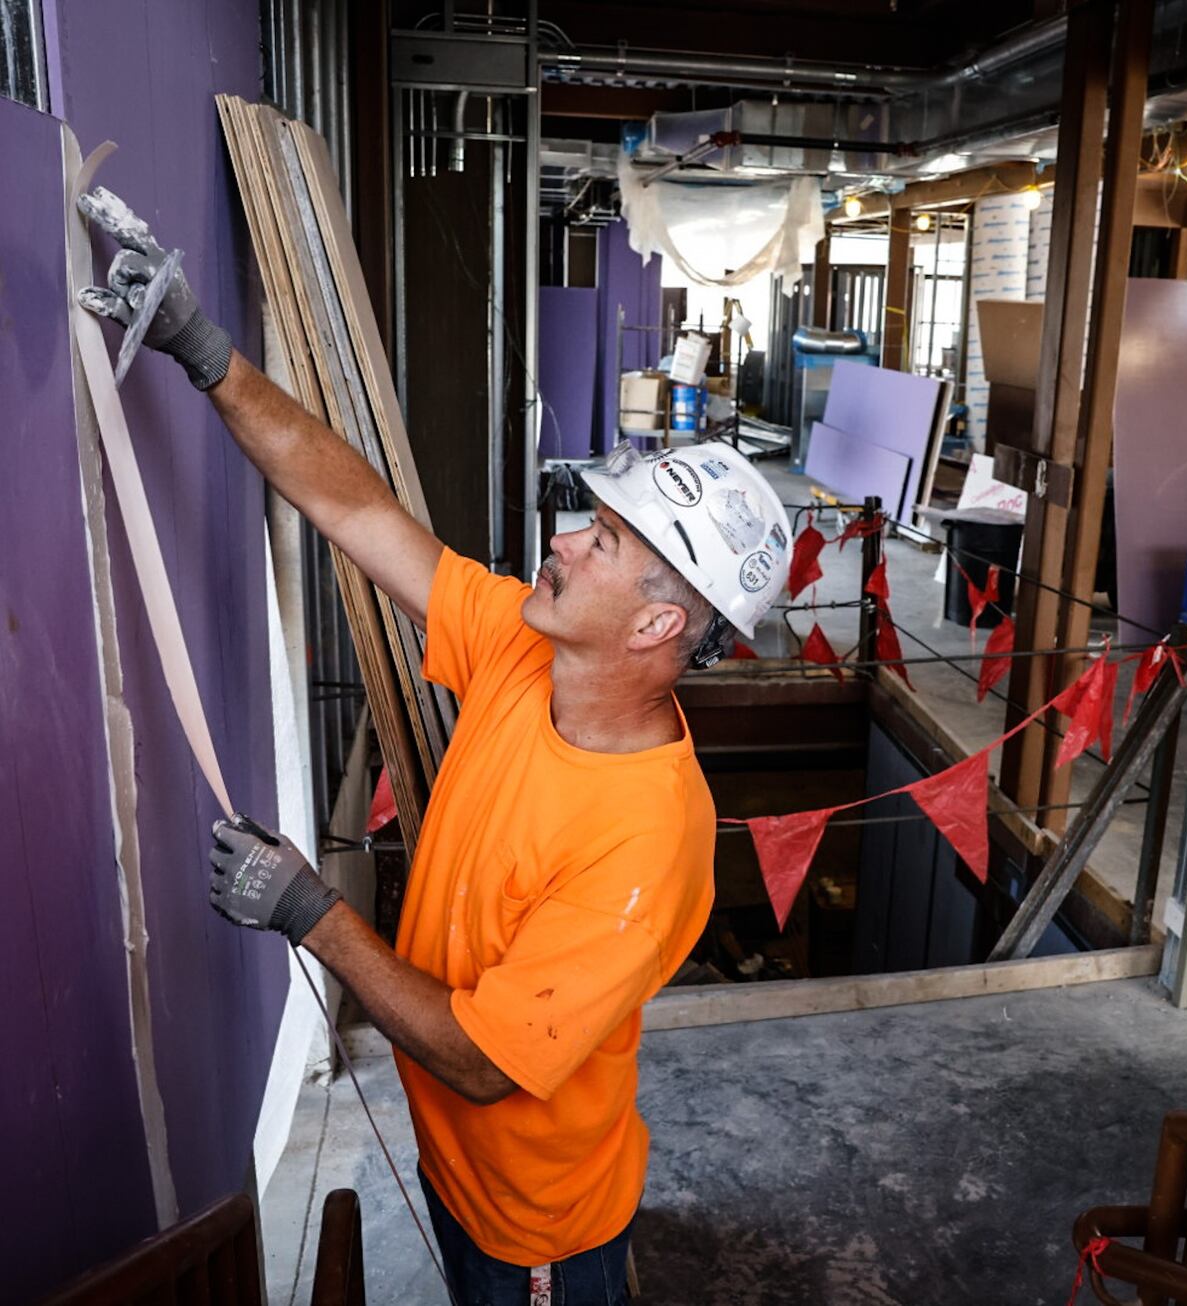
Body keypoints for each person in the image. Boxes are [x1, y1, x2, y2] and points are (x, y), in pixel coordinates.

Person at [78, 187, 792, 1305]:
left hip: (535, 1231)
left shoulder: (646, 841)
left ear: (659, 623)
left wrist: (310, 910)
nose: (561, 539)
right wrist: (205, 351)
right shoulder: (525, 645)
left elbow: (483, 1061)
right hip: (454, 1167)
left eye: (600, 539)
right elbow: (361, 513)